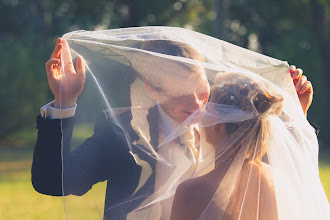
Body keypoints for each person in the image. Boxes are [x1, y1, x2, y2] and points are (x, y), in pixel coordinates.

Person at [32, 27, 317, 219]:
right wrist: (63, 102)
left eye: (202, 91)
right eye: (183, 96)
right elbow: (52, 182)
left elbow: (283, 175)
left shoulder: (230, 125)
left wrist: (296, 118)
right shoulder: (120, 131)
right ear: (152, 90)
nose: (198, 105)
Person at [171, 72, 328, 219]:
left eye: (210, 106)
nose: (203, 111)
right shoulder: (283, 182)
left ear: (218, 124)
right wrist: (299, 116)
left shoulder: (191, 192)